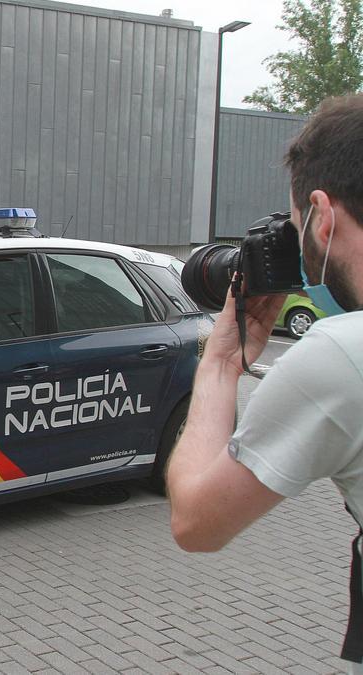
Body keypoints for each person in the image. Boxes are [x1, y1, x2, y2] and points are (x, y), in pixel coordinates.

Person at [167, 94, 363, 669]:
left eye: (299, 229)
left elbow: (197, 523)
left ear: (323, 216)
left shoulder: (343, 355)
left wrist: (221, 362)